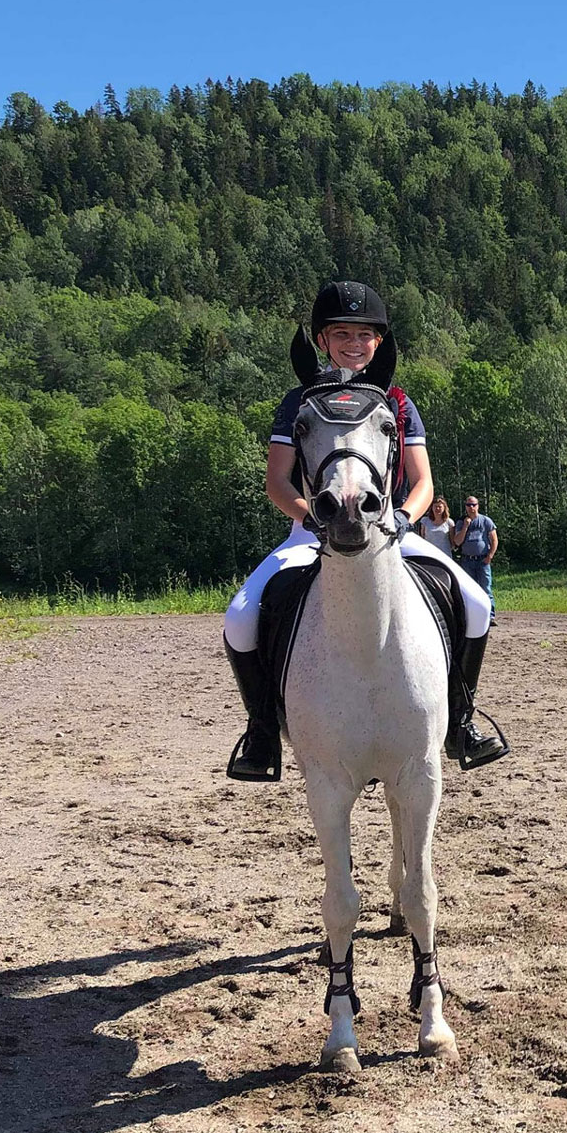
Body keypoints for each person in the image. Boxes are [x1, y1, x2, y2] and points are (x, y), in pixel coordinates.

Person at [221, 281, 508, 779]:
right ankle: (262, 731)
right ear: (322, 340)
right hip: (310, 533)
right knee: (240, 617)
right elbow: (276, 480)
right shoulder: (299, 402)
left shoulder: (397, 403)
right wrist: (311, 518)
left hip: (393, 531)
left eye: (365, 334)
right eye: (342, 333)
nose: (355, 343)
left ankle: (462, 721)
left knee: (477, 605)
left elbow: (422, 483)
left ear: (379, 342)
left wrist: (400, 519)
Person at [450, 495, 498, 602]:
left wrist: (490, 556)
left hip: (483, 560)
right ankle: (473, 616)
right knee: (469, 591)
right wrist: (465, 527)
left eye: (473, 504)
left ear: (477, 506)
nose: (471, 507)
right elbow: (457, 541)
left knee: (486, 589)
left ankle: (490, 616)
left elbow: (494, 540)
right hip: (467, 561)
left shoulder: (486, 521)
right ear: (466, 507)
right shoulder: (461, 522)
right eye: (468, 505)